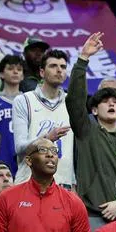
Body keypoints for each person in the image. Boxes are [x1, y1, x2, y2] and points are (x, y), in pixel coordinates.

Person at [67, 31, 116, 232]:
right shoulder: (86, 132)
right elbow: (75, 100)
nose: (111, 104)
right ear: (93, 110)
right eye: (104, 101)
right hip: (91, 215)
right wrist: (83, 59)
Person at [11, 49, 75, 189]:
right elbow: (19, 147)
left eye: (63, 67)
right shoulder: (24, 100)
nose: (59, 70)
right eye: (53, 66)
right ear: (41, 72)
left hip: (64, 184)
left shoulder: (71, 102)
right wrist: (47, 138)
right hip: (28, 182)